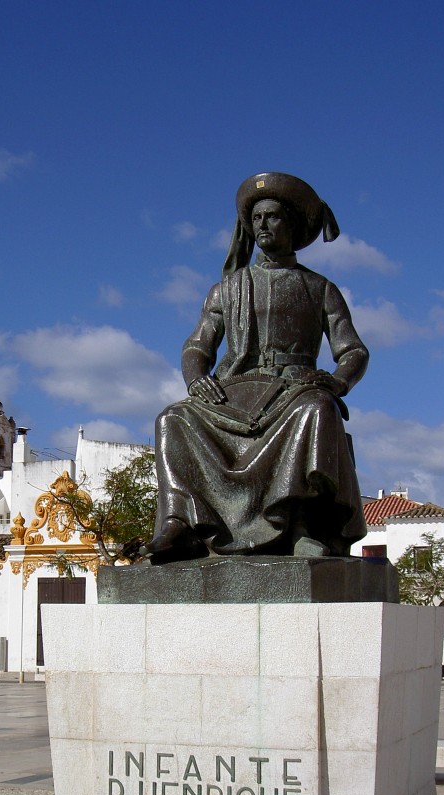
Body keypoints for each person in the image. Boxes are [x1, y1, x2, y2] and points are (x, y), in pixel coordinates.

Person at [143, 171, 369, 562]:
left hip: (296, 388)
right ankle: (180, 522)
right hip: (239, 391)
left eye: (273, 216)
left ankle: (301, 526)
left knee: (316, 408)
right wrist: (196, 380)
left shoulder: (319, 288)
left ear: (293, 225)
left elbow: (354, 351)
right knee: (172, 418)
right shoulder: (228, 289)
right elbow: (197, 346)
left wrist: (336, 382)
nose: (263, 224)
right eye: (257, 218)